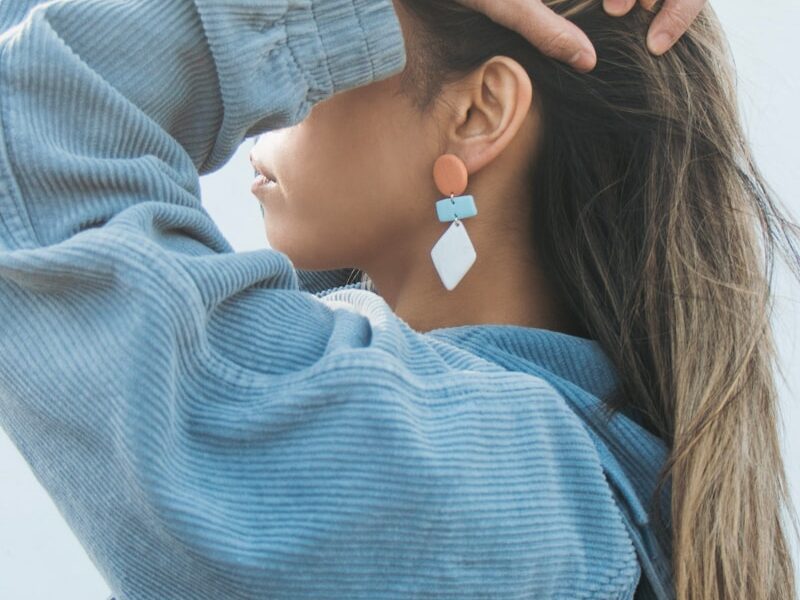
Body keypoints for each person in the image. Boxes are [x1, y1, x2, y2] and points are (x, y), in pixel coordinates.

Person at [0, 1, 796, 599]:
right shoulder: (537, 462)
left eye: (324, 50)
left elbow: (29, 116)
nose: (265, 111)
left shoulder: (479, 480)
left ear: (478, 114)